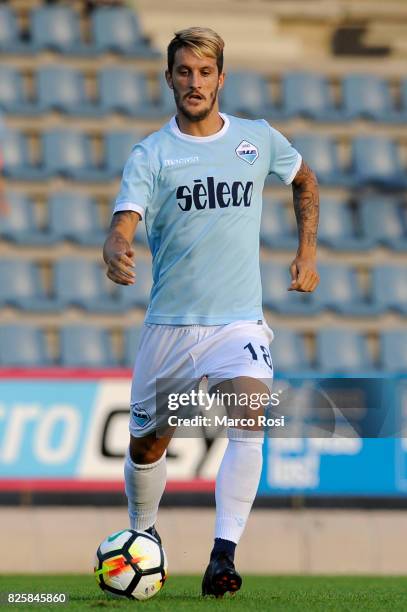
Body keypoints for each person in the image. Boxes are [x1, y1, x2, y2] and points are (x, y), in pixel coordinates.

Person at [103, 26, 319, 597]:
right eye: (184, 72)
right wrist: (116, 242)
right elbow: (126, 215)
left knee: (249, 421)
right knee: (147, 444)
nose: (194, 82)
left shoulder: (257, 139)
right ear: (169, 77)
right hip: (170, 328)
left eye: (205, 72)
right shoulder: (152, 153)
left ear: (222, 78)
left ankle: (222, 559)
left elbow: (304, 180)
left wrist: (307, 252)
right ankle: (142, 536)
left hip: (238, 323)